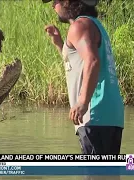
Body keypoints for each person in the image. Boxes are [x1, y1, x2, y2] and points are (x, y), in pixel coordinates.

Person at [43, 0, 125, 155]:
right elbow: (79, 63)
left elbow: (92, 61)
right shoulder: (93, 24)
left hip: (95, 114)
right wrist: (60, 44)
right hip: (110, 115)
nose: (53, 6)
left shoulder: (79, 26)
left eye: (55, 1)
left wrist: (82, 102)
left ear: (68, 1)